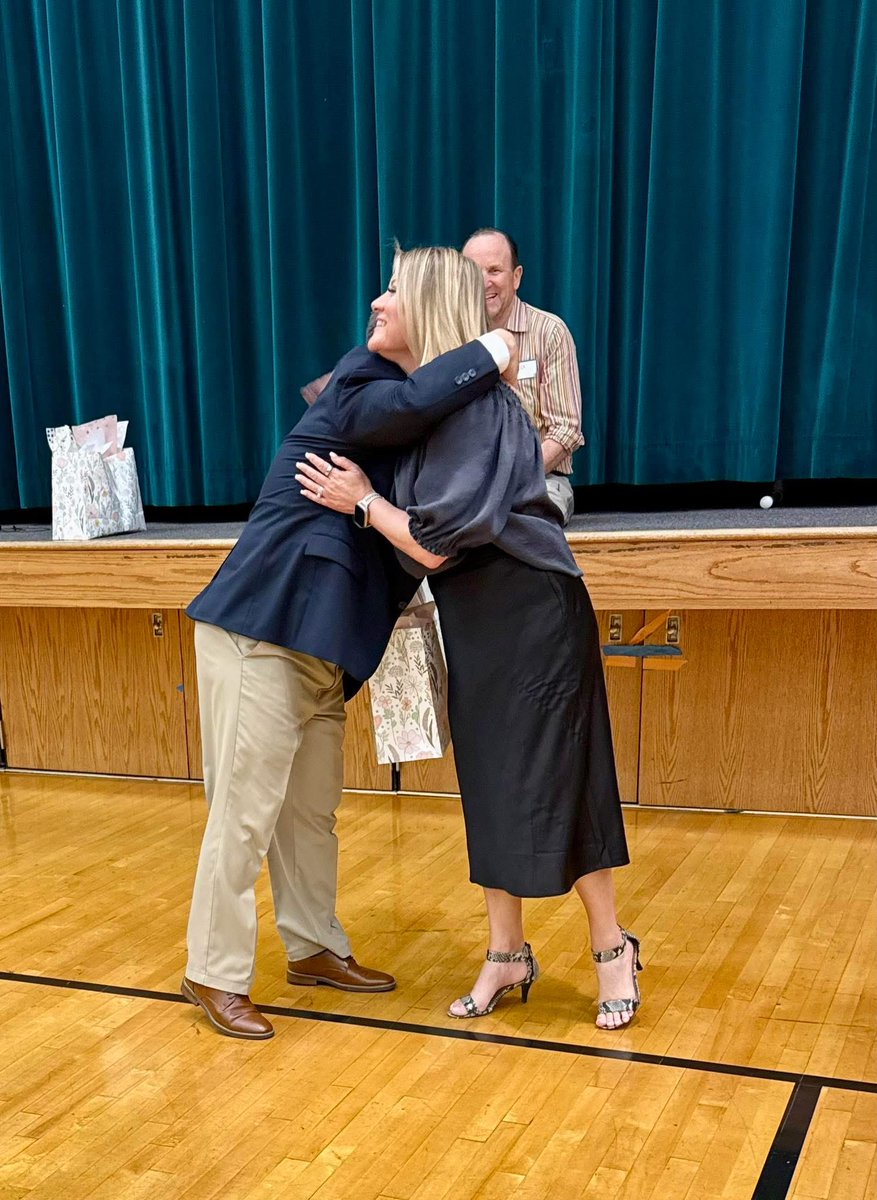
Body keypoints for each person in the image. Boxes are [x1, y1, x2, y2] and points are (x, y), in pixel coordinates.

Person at [297, 247, 641, 1030]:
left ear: (428, 306)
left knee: (561, 775)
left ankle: (610, 946)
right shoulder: (421, 405)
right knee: (488, 779)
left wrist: (361, 502)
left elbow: (435, 544)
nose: (377, 300)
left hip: (534, 611)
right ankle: (506, 954)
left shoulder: (480, 410)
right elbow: (343, 398)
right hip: (477, 617)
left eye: (392, 290)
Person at [181, 315, 516, 1039]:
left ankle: (313, 949)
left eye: (395, 297)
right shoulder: (360, 384)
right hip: (262, 634)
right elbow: (407, 404)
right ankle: (213, 972)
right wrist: (492, 350)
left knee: (308, 815)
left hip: (323, 652)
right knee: (242, 817)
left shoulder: (415, 425)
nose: (377, 306)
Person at [462, 228, 583, 526]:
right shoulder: (453, 336)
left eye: (494, 270)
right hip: (467, 485)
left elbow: (566, 430)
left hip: (540, 482)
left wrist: (511, 480)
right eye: (473, 272)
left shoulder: (550, 333)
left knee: (520, 523)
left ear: (516, 277)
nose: (484, 282)